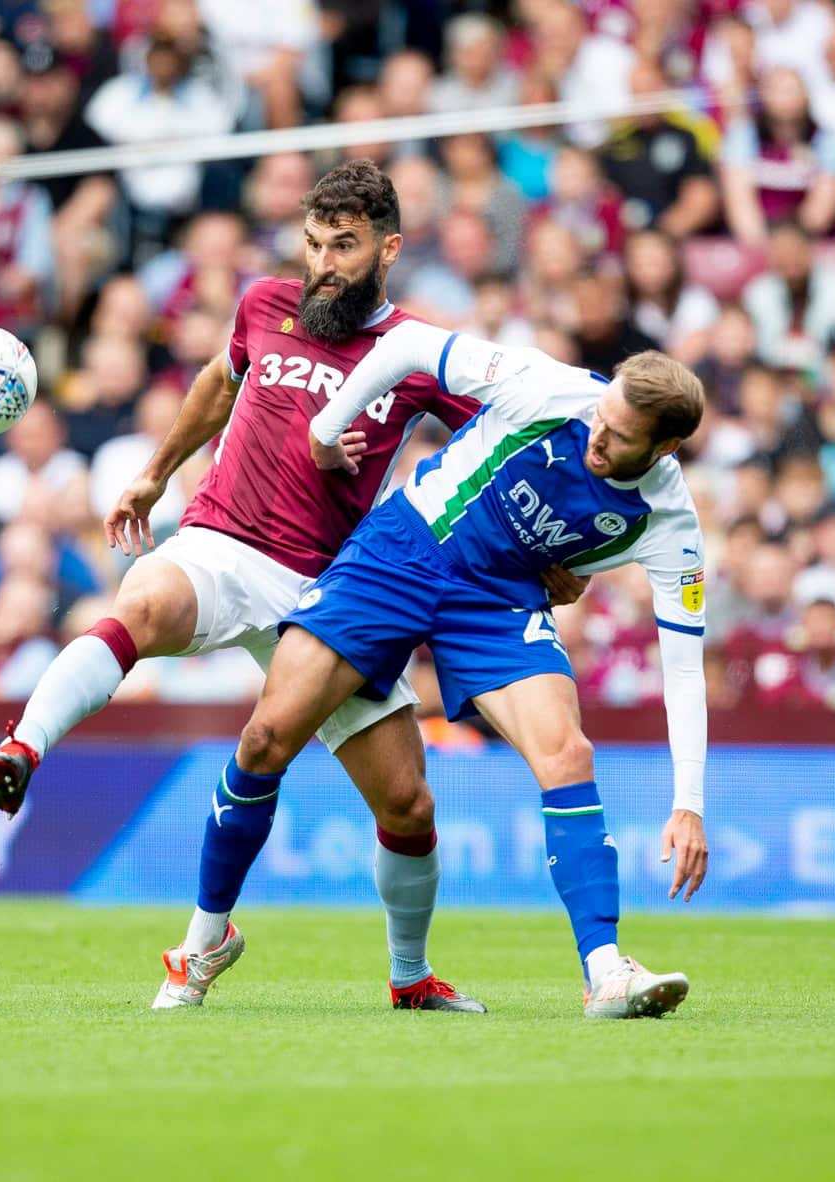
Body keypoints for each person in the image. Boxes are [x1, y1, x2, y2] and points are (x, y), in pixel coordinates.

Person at [0, 160, 514, 1012]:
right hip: (223, 544)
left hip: (333, 590)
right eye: (313, 244)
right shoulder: (264, 304)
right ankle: (24, 749)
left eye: (345, 246)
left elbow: (495, 441)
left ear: (389, 248)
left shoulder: (414, 350)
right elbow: (221, 383)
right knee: (141, 606)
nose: (324, 263)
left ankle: (410, 976)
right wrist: (156, 474)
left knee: (407, 803)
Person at [206, 327, 711, 1018]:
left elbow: (684, 669)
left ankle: (605, 974)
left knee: (567, 753)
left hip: (497, 598)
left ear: (665, 449)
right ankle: (202, 942)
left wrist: (689, 805)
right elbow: (409, 341)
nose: (598, 435)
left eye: (620, 437)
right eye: (603, 415)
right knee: (268, 736)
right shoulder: (548, 387)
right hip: (408, 547)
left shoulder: (671, 521)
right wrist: (327, 428)